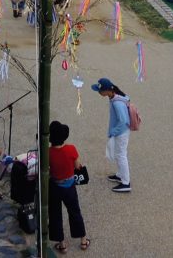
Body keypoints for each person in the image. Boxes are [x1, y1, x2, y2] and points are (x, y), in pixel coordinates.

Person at [48, 120, 90, 252]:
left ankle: (62, 244)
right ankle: (83, 240)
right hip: (69, 186)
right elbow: (78, 166)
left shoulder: (48, 152)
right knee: (75, 212)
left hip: (55, 186)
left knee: (55, 214)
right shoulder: (71, 149)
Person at [91, 77, 131, 192]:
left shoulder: (117, 103)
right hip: (121, 132)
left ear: (107, 90)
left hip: (121, 133)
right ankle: (120, 175)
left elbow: (123, 121)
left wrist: (113, 132)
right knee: (119, 154)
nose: (99, 93)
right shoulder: (114, 97)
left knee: (121, 155)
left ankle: (126, 182)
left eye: (100, 91)